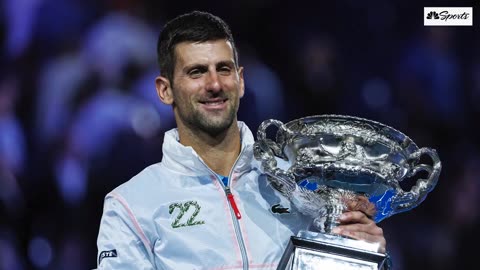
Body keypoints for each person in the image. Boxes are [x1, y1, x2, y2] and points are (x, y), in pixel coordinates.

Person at [95, 10, 387, 269]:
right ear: (165, 90)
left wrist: (365, 256)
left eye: (224, 69)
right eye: (196, 72)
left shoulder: (300, 182)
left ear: (241, 80)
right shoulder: (131, 205)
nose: (214, 84)